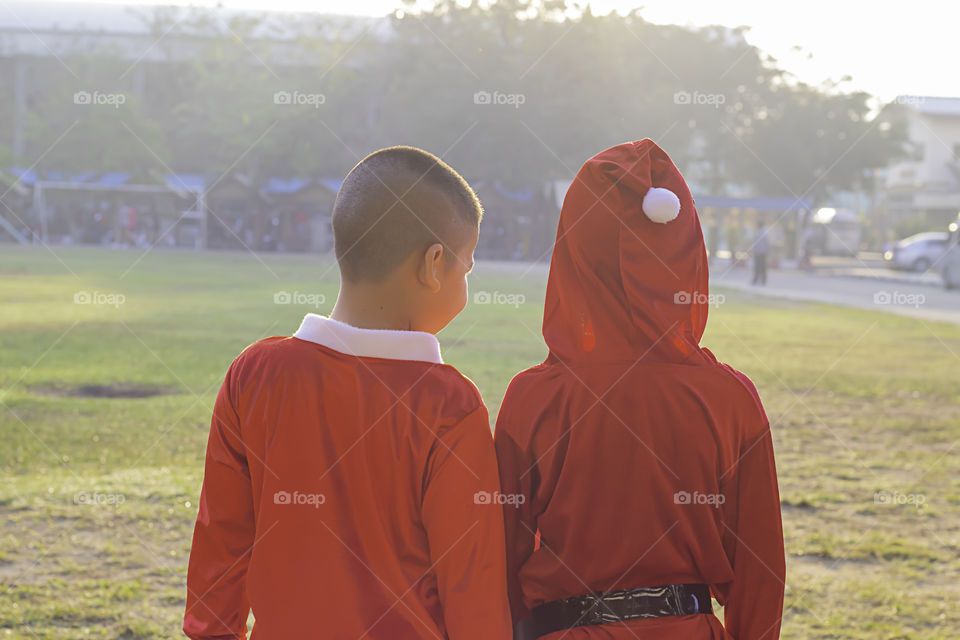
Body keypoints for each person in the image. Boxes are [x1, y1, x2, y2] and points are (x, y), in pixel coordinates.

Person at [184, 146, 511, 640]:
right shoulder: (450, 405)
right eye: (467, 268)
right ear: (434, 264)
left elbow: (220, 543)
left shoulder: (253, 374)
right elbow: (473, 588)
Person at [495, 139, 785, 640]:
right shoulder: (731, 399)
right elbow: (760, 574)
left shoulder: (534, 399)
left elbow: (498, 560)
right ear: (687, 251)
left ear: (575, 251)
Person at [752, 219, 770, 285]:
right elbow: (767, 243)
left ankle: (756, 280)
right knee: (762, 267)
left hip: (758, 253)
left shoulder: (757, 232)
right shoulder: (765, 232)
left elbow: (755, 243)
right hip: (763, 253)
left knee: (757, 266)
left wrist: (754, 251)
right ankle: (763, 280)